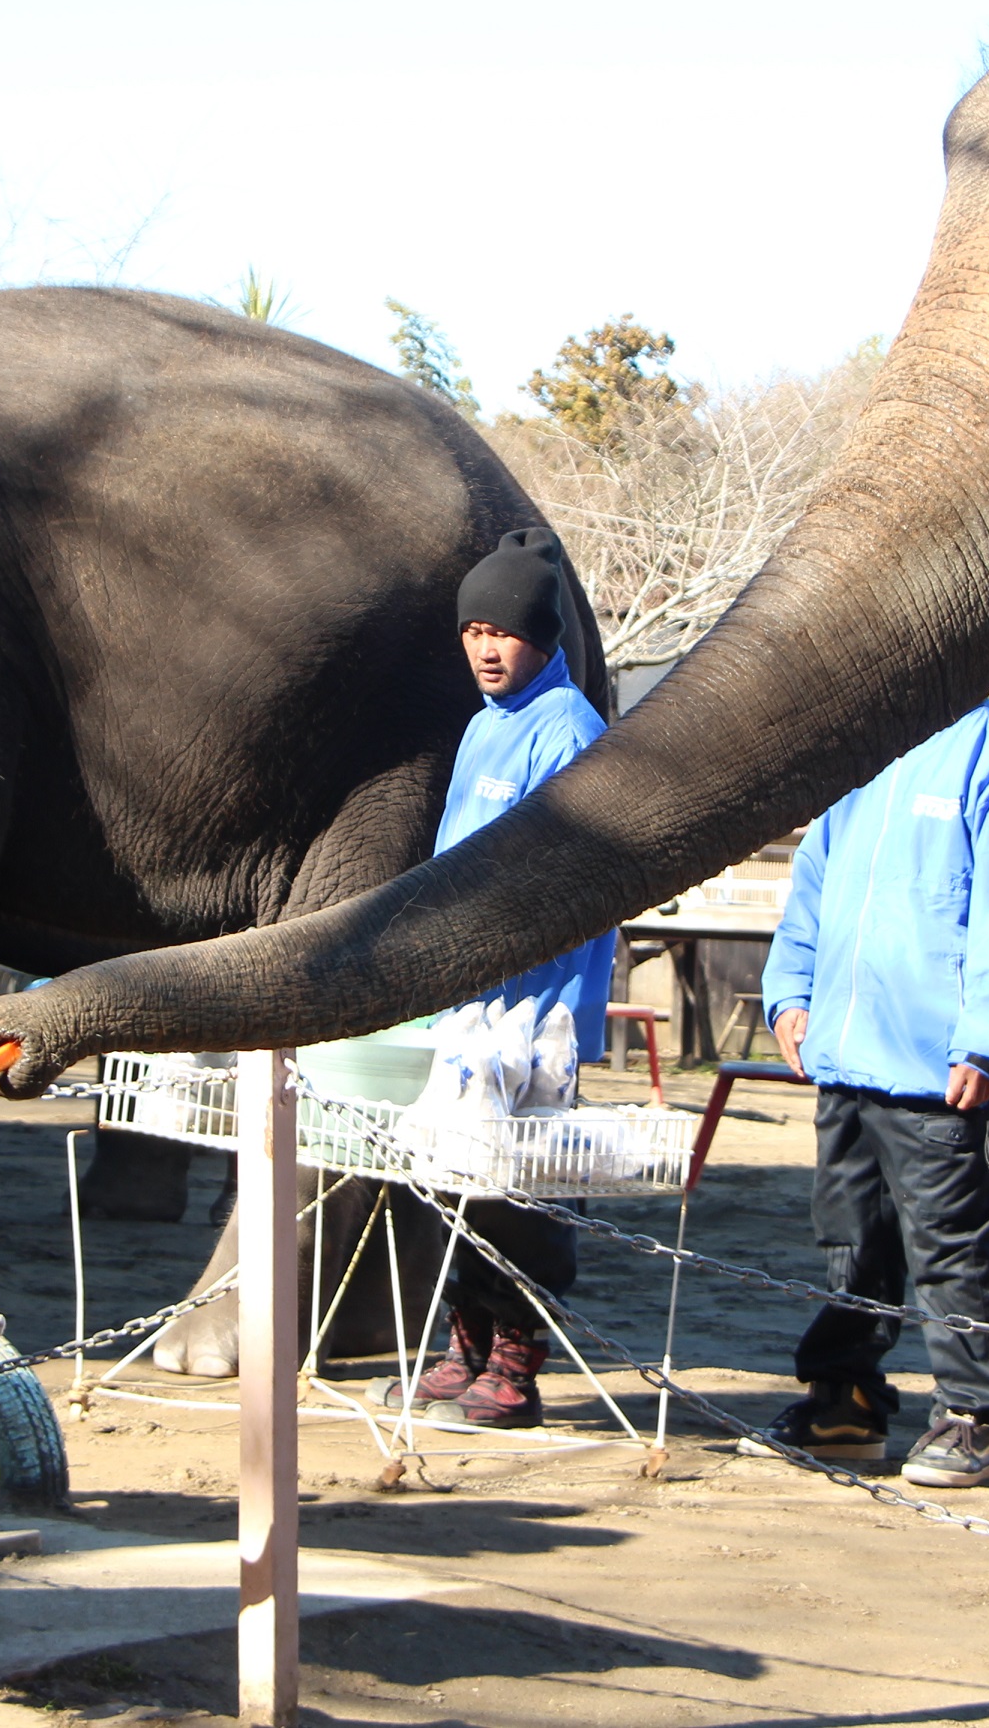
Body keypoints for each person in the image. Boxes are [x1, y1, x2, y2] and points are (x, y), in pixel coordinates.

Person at [745, 699, 989, 1488]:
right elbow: (813, 877)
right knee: (849, 1236)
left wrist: (988, 1039)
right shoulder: (866, 746)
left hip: (936, 1066)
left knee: (948, 1243)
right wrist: (788, 992)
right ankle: (844, 1400)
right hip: (844, 1057)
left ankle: (969, 1414)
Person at [380, 527, 611, 1430]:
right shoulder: (483, 728)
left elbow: (567, 888)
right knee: (451, 1175)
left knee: (520, 1190)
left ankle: (518, 1362)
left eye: (504, 631)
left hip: (537, 1011)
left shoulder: (572, 735)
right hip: (466, 1004)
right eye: (472, 629)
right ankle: (464, 1344)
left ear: (544, 640)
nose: (485, 646)